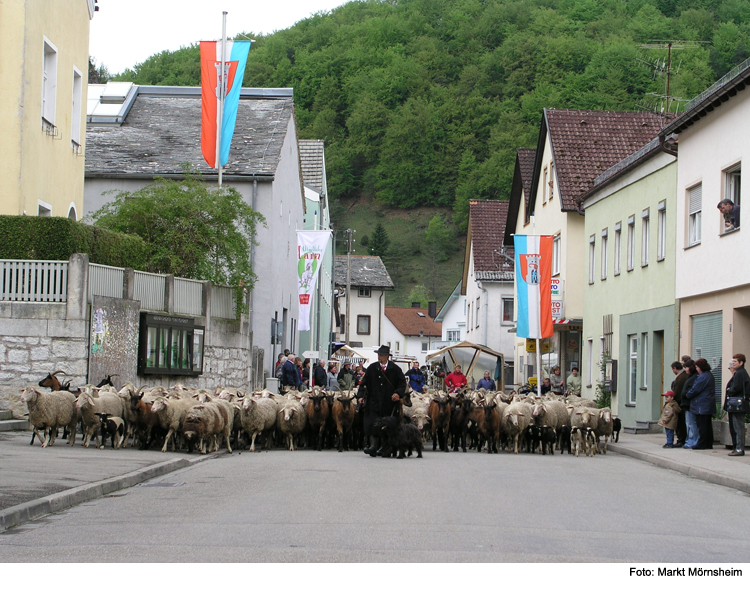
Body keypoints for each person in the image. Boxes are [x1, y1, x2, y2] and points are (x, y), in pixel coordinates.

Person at [358, 345, 407, 457]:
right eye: (378, 354)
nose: (379, 356)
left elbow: (402, 384)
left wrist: (398, 393)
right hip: (374, 401)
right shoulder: (372, 368)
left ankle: (385, 447)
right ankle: (373, 446)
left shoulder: (395, 369)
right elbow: (363, 384)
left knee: (387, 425)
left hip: (388, 402)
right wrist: (360, 396)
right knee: (373, 423)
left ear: (386, 356)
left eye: (381, 355)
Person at [683, 358, 715, 450]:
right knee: (707, 425)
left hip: (701, 405)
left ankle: (702, 443)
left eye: (697, 367)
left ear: (701, 367)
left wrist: (688, 394)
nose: (696, 369)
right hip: (706, 404)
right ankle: (708, 442)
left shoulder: (703, 377)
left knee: (702, 425)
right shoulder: (709, 375)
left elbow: (695, 389)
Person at [724, 353, 749, 457]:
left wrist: (730, 391)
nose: (732, 363)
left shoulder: (740, 373)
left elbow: (736, 387)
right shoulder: (740, 372)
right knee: (737, 426)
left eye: (735, 361)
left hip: (737, 404)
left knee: (738, 427)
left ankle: (739, 448)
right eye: (732, 361)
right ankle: (737, 447)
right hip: (737, 404)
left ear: (741, 363)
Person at [670, 361, 689, 447]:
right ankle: (681, 439)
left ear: (675, 368)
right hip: (681, 403)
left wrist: (673, 401)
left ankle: (681, 439)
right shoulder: (683, 375)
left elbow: (678, 391)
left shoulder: (681, 377)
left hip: (680, 403)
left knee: (680, 423)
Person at [681, 360, 699, 449]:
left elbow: (692, 390)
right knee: (689, 423)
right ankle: (690, 440)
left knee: (691, 424)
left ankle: (693, 441)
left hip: (689, 404)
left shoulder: (694, 377)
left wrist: (685, 394)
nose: (685, 370)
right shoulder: (691, 376)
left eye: (686, 367)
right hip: (687, 404)